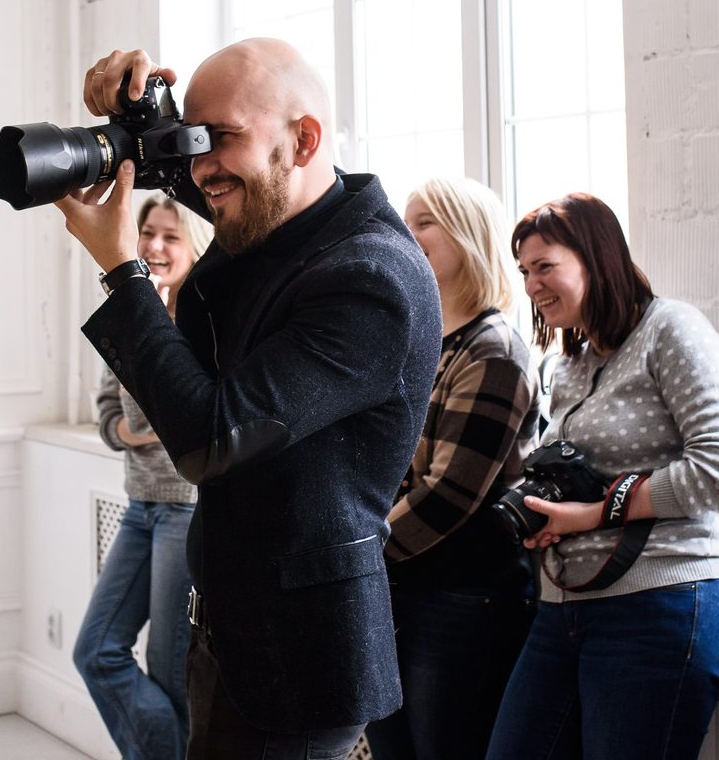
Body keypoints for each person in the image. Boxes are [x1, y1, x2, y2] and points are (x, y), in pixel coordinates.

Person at [53, 39, 441, 759]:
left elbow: (209, 435)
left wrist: (122, 269)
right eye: (194, 145)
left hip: (299, 662)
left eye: (221, 138)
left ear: (305, 139)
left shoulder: (369, 277)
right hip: (235, 635)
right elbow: (211, 292)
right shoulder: (283, 230)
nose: (200, 170)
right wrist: (148, 125)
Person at [485, 192, 719, 760]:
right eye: (524, 271)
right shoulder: (567, 364)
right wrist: (548, 518)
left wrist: (596, 512)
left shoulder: (672, 330)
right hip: (562, 608)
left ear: (596, 255)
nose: (531, 285)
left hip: (661, 603)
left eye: (545, 266)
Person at [363, 177, 543, 760]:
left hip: (463, 600)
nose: (406, 234)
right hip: (400, 586)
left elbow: (448, 495)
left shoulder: (493, 350)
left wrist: (353, 556)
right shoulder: (417, 342)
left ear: (466, 236)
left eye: (424, 222)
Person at [74, 194, 213, 760]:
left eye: (170, 236)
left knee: (170, 667)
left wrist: (146, 324)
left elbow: (186, 420)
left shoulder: (206, 322)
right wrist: (141, 430)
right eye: (147, 232)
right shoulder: (135, 309)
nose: (154, 246)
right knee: (96, 650)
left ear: (195, 246)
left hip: (187, 507)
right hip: (140, 501)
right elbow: (113, 415)